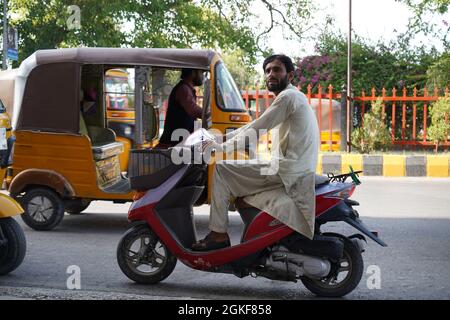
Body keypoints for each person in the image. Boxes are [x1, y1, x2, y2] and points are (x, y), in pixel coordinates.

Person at [192, 54, 320, 251]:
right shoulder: (292, 97)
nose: (271, 74)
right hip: (290, 168)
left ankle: (218, 235)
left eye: (276, 70)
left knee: (222, 170)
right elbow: (254, 126)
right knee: (240, 181)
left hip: (286, 170)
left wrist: (219, 149)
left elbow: (255, 130)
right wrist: (220, 137)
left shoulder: (288, 97)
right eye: (268, 71)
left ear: (290, 75)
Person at [157, 68, 204, 147]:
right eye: (201, 72)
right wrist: (211, 114)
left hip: (178, 142)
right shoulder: (184, 89)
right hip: (173, 145)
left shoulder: (186, 88)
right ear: (193, 73)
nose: (202, 76)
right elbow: (192, 109)